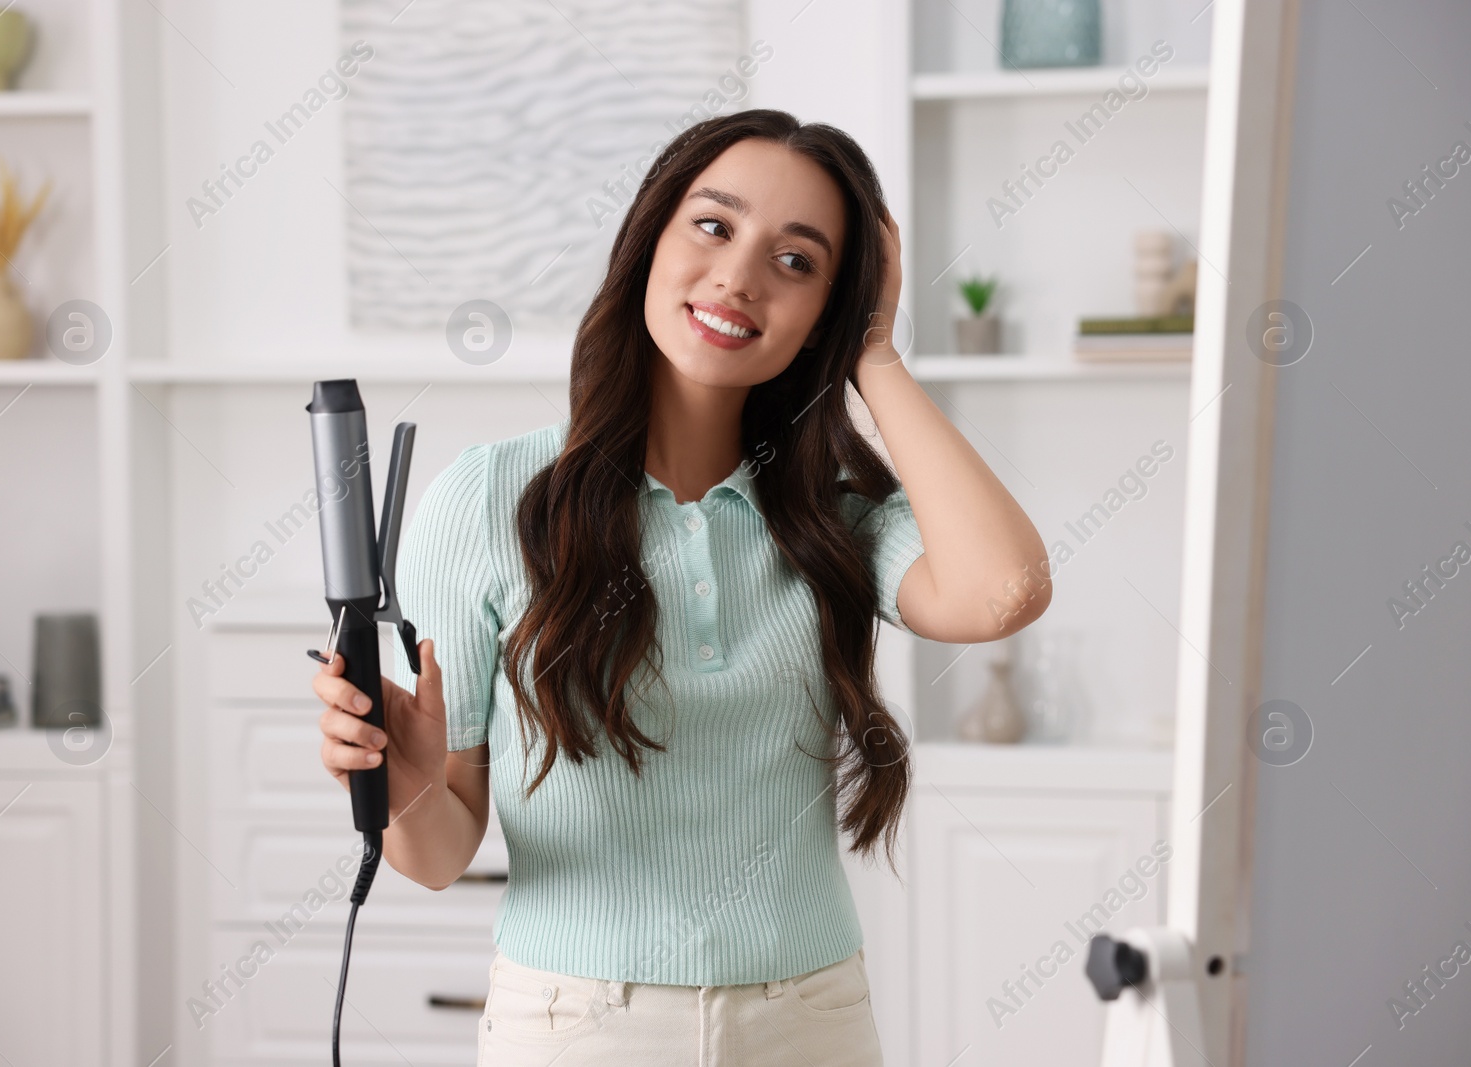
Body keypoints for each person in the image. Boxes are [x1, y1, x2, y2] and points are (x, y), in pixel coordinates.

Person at [314, 108, 1051, 1066]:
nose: (740, 277)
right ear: (649, 239)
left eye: (798, 261)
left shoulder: (837, 516)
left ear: (830, 309)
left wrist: (877, 353)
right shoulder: (485, 501)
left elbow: (1004, 592)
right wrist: (405, 781)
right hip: (573, 1024)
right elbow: (444, 851)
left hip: (811, 1020)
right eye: (714, 225)